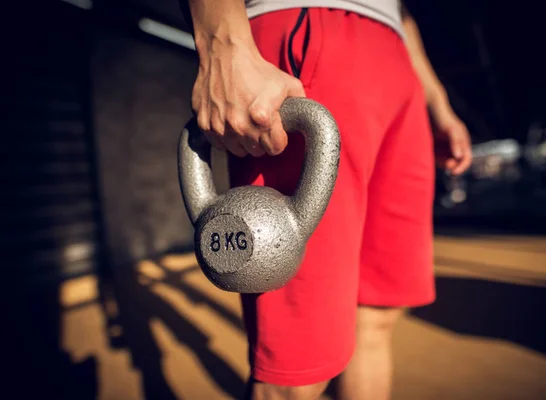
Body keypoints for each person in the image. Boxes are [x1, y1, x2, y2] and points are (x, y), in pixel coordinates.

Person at [180, 1, 472, 399]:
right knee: (295, 363)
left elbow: (403, 13)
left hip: (397, 60)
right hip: (305, 28)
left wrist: (436, 103)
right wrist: (221, 47)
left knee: (376, 313)